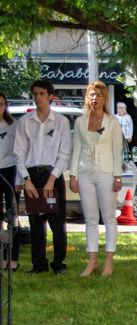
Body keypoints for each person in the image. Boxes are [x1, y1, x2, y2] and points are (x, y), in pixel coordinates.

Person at [14, 79, 71, 275]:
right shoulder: (24, 122)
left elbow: (64, 154)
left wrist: (52, 179)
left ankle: (58, 264)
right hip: (32, 176)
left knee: (57, 223)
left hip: (52, 175)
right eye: (35, 94)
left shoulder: (61, 122)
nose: (38, 98)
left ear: (50, 96)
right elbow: (19, 153)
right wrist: (26, 179)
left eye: (41, 94)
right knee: (36, 224)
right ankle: (39, 264)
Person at [70, 81, 124, 277]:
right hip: (85, 172)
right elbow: (76, 148)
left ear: (104, 99)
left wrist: (117, 176)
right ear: (88, 97)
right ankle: (92, 261)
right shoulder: (80, 122)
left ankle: (109, 261)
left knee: (109, 217)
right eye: (92, 94)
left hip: (106, 173)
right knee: (90, 219)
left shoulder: (112, 122)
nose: (95, 98)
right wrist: (73, 174)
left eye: (99, 95)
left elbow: (117, 150)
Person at [0, 92, 21, 271]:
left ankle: (12, 258)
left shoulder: (14, 125)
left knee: (12, 216)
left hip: (10, 171)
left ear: (5, 105)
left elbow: (20, 152)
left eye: (1, 104)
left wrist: (19, 178)